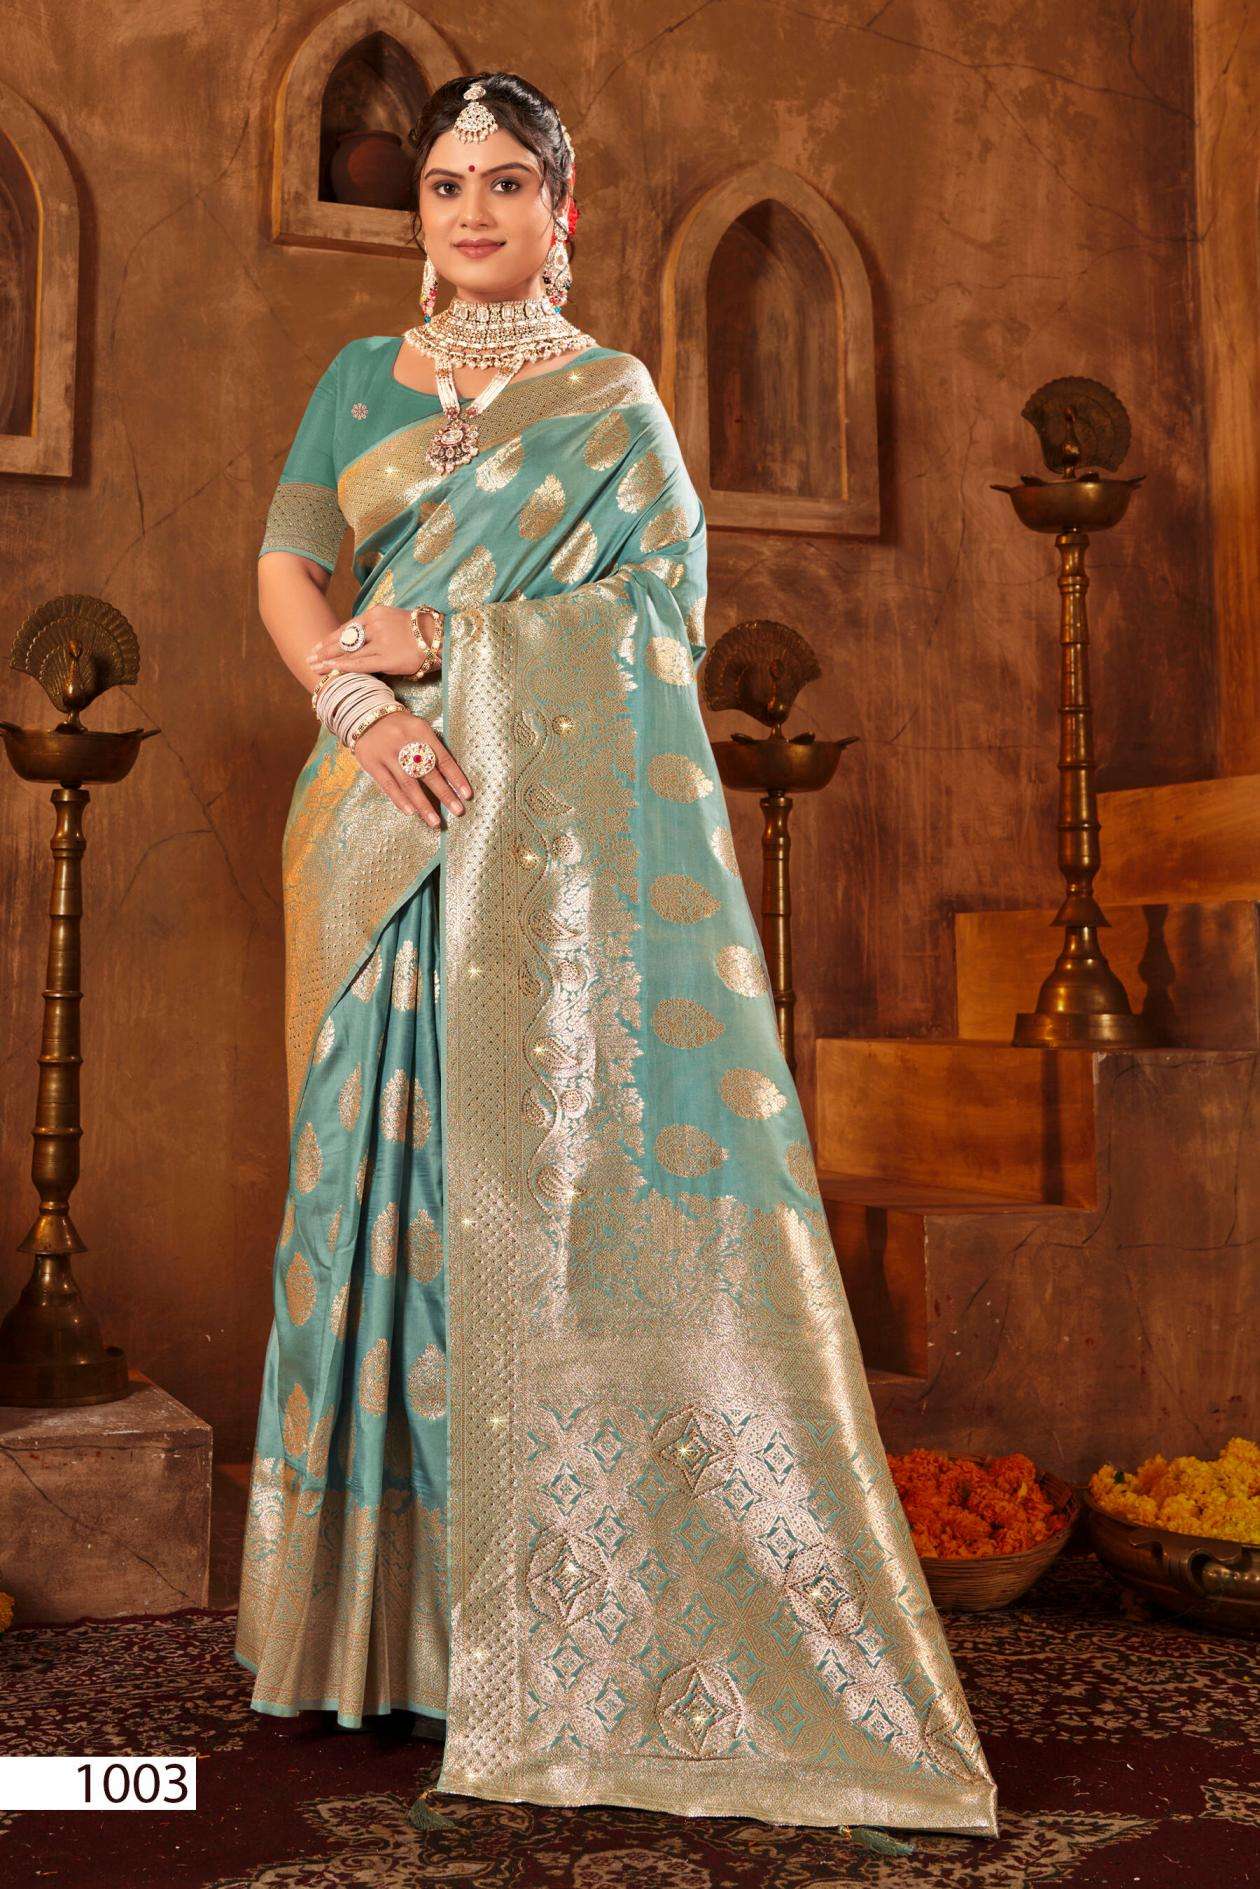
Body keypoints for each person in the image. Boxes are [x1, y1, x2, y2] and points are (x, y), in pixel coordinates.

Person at [234, 69, 997, 1839]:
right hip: (375, 820)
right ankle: (372, 1638)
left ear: (560, 210)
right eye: (445, 185)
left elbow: (659, 616)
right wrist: (359, 704)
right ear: (418, 216)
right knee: (367, 1196)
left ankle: (535, 1633)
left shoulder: (613, 397)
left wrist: (454, 635)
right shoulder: (357, 379)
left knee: (523, 1202)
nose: (471, 210)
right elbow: (285, 569)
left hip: (539, 843)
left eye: (506, 182)